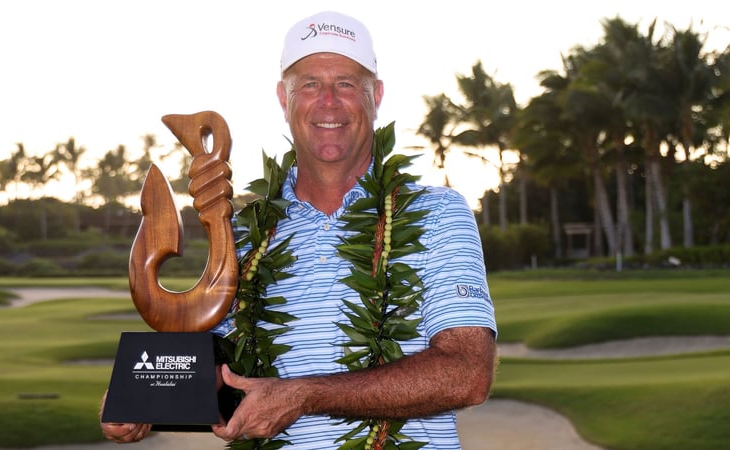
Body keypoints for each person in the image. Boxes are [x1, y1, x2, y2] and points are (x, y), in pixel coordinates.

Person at [101, 10, 497, 449]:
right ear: (282, 96)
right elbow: (214, 372)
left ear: (377, 95)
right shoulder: (247, 239)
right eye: (309, 84)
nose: (328, 102)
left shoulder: (436, 214)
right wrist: (139, 397)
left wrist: (305, 395)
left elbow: (467, 372)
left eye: (347, 83)